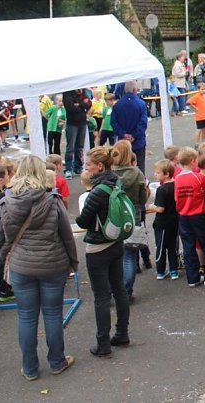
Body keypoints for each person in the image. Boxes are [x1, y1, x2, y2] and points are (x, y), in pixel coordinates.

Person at [0, 156, 78, 380]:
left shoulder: (5, 202)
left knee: (26, 316)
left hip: (21, 265)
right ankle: (56, 361)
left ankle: (30, 368)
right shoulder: (52, 200)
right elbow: (67, 235)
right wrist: (73, 262)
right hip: (53, 263)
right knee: (52, 314)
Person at [74, 146, 130, 357]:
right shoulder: (115, 181)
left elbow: (83, 220)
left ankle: (103, 343)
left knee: (101, 296)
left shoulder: (97, 192)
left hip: (98, 246)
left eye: (88, 165)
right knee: (119, 289)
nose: (86, 168)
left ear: (99, 166)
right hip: (116, 241)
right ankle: (122, 333)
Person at [109, 141, 148, 301]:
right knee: (129, 256)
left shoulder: (109, 174)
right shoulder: (137, 173)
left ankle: (113, 290)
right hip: (132, 216)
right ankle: (126, 291)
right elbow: (142, 198)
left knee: (112, 258)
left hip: (112, 218)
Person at [175, 147, 205, 288]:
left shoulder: (178, 178)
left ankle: (192, 278)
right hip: (198, 214)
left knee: (189, 247)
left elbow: (176, 198)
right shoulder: (198, 177)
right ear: (193, 161)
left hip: (183, 215)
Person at [147, 159, 180, 281]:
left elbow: (160, 209)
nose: (155, 174)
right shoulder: (176, 185)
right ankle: (174, 270)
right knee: (172, 247)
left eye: (157, 172)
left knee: (160, 247)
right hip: (174, 221)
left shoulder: (162, 190)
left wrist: (152, 207)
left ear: (166, 174)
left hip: (162, 222)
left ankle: (160, 270)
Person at [110, 81, 149, 173]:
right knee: (139, 166)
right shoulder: (141, 104)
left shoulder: (117, 105)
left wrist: (123, 134)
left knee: (123, 166)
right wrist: (134, 135)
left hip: (123, 142)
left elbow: (113, 122)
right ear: (135, 90)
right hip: (138, 140)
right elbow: (143, 123)